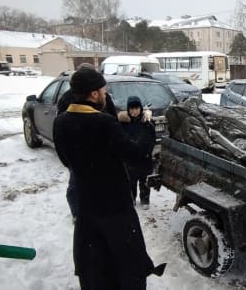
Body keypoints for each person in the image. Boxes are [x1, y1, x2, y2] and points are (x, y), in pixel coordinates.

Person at [53, 68, 165, 289]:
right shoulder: (104, 123)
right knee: (127, 269)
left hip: (87, 212)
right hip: (116, 212)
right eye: (103, 91)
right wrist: (148, 130)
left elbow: (67, 162)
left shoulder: (60, 123)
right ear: (94, 94)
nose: (105, 95)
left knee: (95, 271)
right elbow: (136, 156)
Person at [57, 63, 117, 219]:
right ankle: (78, 213)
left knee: (98, 185)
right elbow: (63, 127)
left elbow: (112, 117)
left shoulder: (105, 99)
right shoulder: (67, 99)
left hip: (100, 151)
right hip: (79, 151)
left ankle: (98, 209)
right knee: (77, 183)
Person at [118, 96, 156, 209]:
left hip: (144, 157)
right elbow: (120, 140)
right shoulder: (123, 124)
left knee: (144, 180)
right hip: (130, 159)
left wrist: (148, 152)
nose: (134, 112)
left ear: (140, 109)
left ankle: (145, 199)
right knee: (131, 181)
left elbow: (152, 139)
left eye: (136, 109)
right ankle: (132, 198)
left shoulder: (147, 123)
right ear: (128, 110)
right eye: (132, 109)